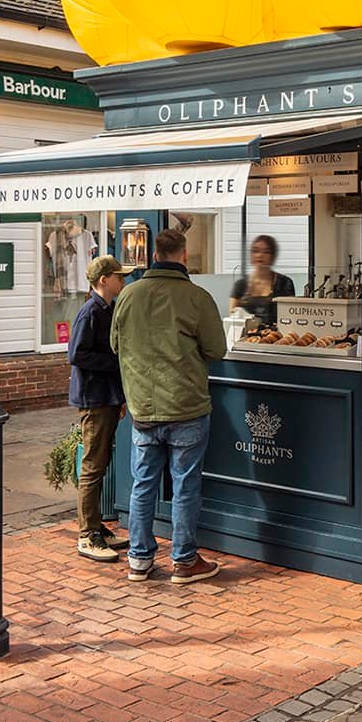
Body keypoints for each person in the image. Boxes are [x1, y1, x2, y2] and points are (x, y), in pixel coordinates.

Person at [110, 226, 227, 584]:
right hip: (186, 405)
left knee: (142, 483)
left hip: (143, 407)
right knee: (185, 485)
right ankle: (184, 561)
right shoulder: (196, 297)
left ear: (152, 255)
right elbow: (216, 350)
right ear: (184, 255)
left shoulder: (128, 296)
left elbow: (115, 345)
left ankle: (139, 560)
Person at [68, 255, 128, 562]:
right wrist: (115, 364)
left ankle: (95, 527)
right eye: (119, 277)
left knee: (99, 462)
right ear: (103, 280)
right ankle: (86, 534)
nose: (123, 280)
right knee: (92, 465)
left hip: (106, 396)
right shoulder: (90, 312)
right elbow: (77, 355)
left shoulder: (107, 309)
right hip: (94, 398)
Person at [229, 235, 296, 328]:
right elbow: (232, 318)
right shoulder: (240, 285)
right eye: (256, 251)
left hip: (276, 338)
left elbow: (291, 315)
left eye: (266, 252)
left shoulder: (285, 283)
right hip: (245, 338)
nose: (260, 255)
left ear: (273, 256)